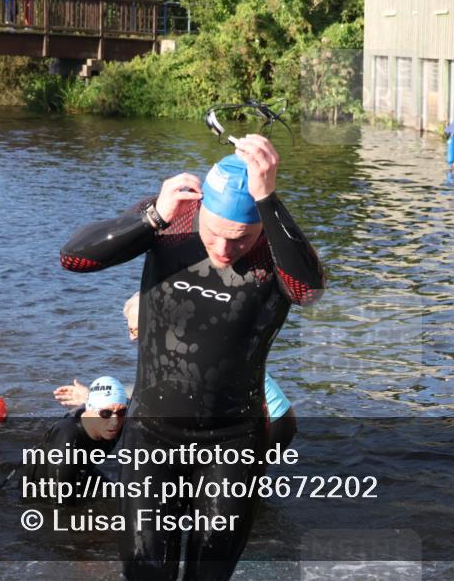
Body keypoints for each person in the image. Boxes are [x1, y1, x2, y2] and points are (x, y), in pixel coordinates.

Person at [60, 135, 325, 579]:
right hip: (151, 440)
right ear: (198, 212)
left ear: (260, 226)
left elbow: (308, 291)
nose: (223, 251)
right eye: (215, 234)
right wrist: (153, 216)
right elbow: (74, 259)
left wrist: (267, 198)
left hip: (233, 444)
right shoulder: (171, 222)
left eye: (240, 240)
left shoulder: (277, 248)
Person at [56, 291, 298, 449]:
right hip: (273, 418)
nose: (131, 339)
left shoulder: (185, 350)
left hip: (269, 422)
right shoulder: (180, 340)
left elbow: (155, 399)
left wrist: (92, 400)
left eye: (135, 331)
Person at [21, 376, 127, 506]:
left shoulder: (119, 418)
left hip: (82, 471)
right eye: (105, 414)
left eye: (122, 412)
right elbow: (61, 506)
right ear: (90, 409)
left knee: (120, 496)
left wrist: (88, 396)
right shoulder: (68, 441)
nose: (115, 422)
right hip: (43, 487)